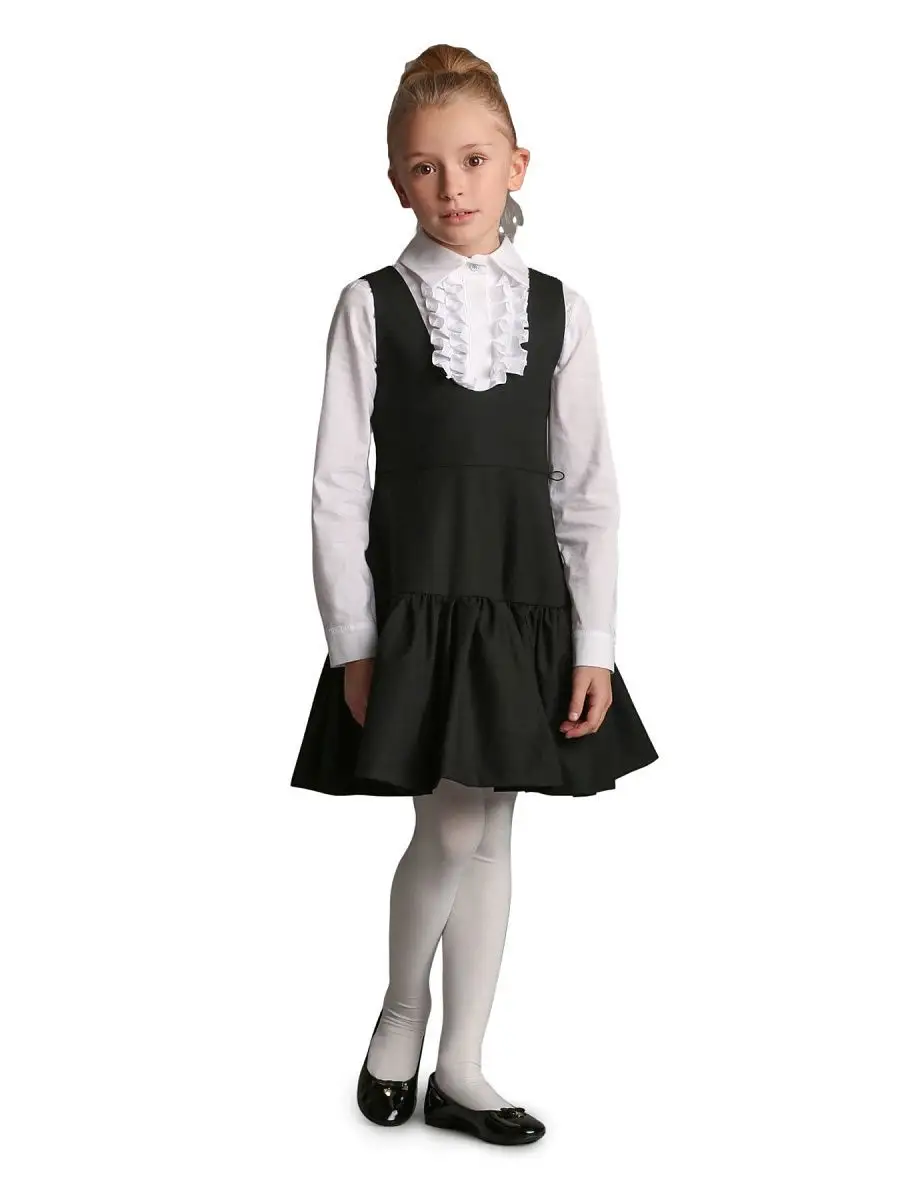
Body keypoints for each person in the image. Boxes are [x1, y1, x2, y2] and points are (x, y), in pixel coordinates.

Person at [290, 43, 659, 1145]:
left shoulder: (561, 308)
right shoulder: (371, 306)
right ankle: (400, 1019)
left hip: (522, 601)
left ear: (517, 165)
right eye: (425, 167)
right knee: (452, 829)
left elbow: (589, 485)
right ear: (395, 181)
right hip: (419, 603)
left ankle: (459, 1066)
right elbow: (335, 487)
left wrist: (594, 642)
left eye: (473, 160)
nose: (451, 186)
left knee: (491, 829)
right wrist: (353, 638)